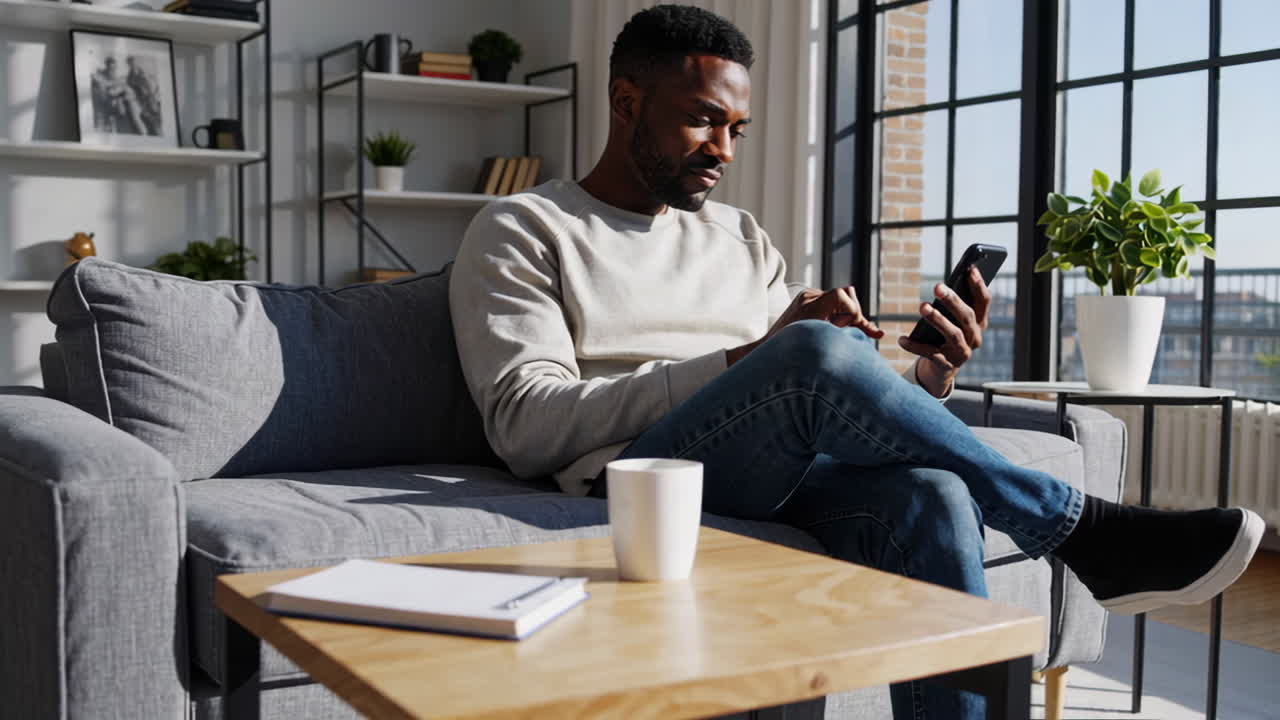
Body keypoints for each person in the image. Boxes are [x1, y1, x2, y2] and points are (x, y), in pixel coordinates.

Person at [449, 5, 1263, 718]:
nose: (724, 149)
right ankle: (1076, 528)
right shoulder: (524, 227)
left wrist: (933, 375)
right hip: (635, 478)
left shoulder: (738, 238)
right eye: (703, 121)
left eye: (738, 130)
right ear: (627, 103)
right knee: (807, 348)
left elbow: (814, 402)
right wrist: (752, 355)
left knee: (933, 494)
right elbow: (527, 425)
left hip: (776, 467)